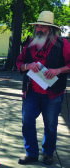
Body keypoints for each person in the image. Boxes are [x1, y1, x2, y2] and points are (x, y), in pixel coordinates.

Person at [16, 11, 70, 165]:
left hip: (53, 94)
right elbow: (19, 62)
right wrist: (27, 66)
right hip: (31, 92)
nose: (40, 28)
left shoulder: (63, 44)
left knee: (51, 125)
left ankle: (48, 153)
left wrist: (58, 70)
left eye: (44, 26)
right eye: (38, 25)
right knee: (27, 123)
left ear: (51, 29)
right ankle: (31, 153)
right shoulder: (30, 43)